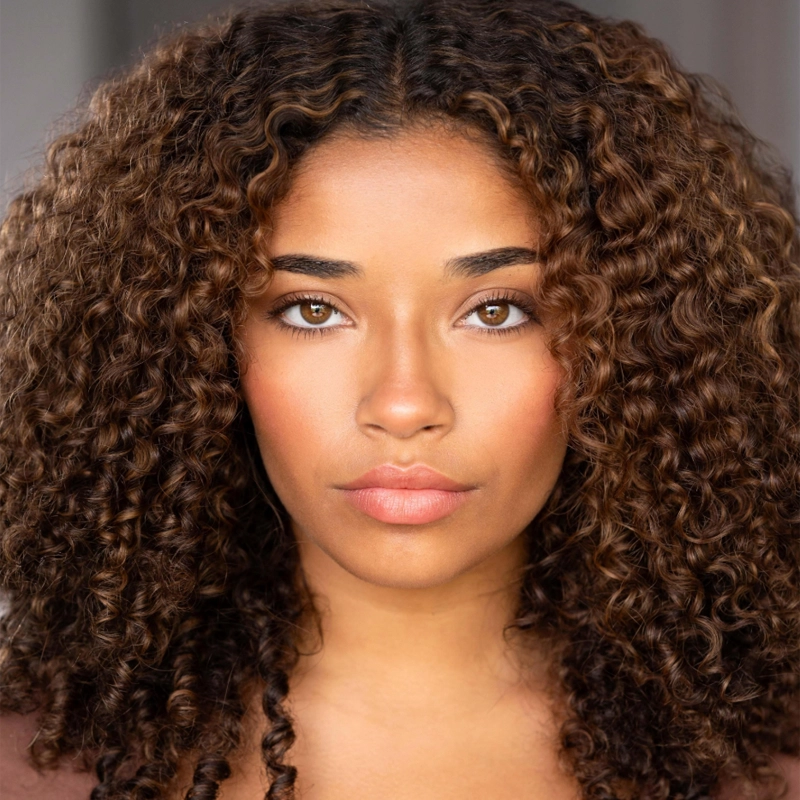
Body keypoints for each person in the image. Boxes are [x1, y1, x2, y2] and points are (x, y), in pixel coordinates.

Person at [0, 0, 798, 798]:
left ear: (634, 342)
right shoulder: (27, 772)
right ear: (193, 345)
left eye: (497, 311)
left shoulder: (770, 776)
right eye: (314, 311)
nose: (405, 403)